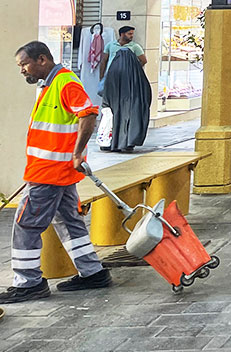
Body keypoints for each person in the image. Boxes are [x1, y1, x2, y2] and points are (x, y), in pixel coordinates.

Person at [2, 42, 111, 304]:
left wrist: (77, 154)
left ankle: (29, 282)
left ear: (42, 59)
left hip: (50, 174)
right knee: (68, 221)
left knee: (25, 224)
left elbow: (88, 114)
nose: (22, 71)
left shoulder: (64, 83)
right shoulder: (50, 85)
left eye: (24, 64)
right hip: (55, 172)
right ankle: (93, 272)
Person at [97, 25, 150, 152]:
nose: (131, 36)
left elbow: (143, 60)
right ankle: (111, 140)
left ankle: (122, 140)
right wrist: (102, 78)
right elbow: (104, 60)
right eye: (129, 34)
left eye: (132, 34)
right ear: (121, 34)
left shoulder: (134, 47)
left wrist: (132, 71)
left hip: (128, 83)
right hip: (112, 81)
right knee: (110, 111)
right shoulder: (111, 45)